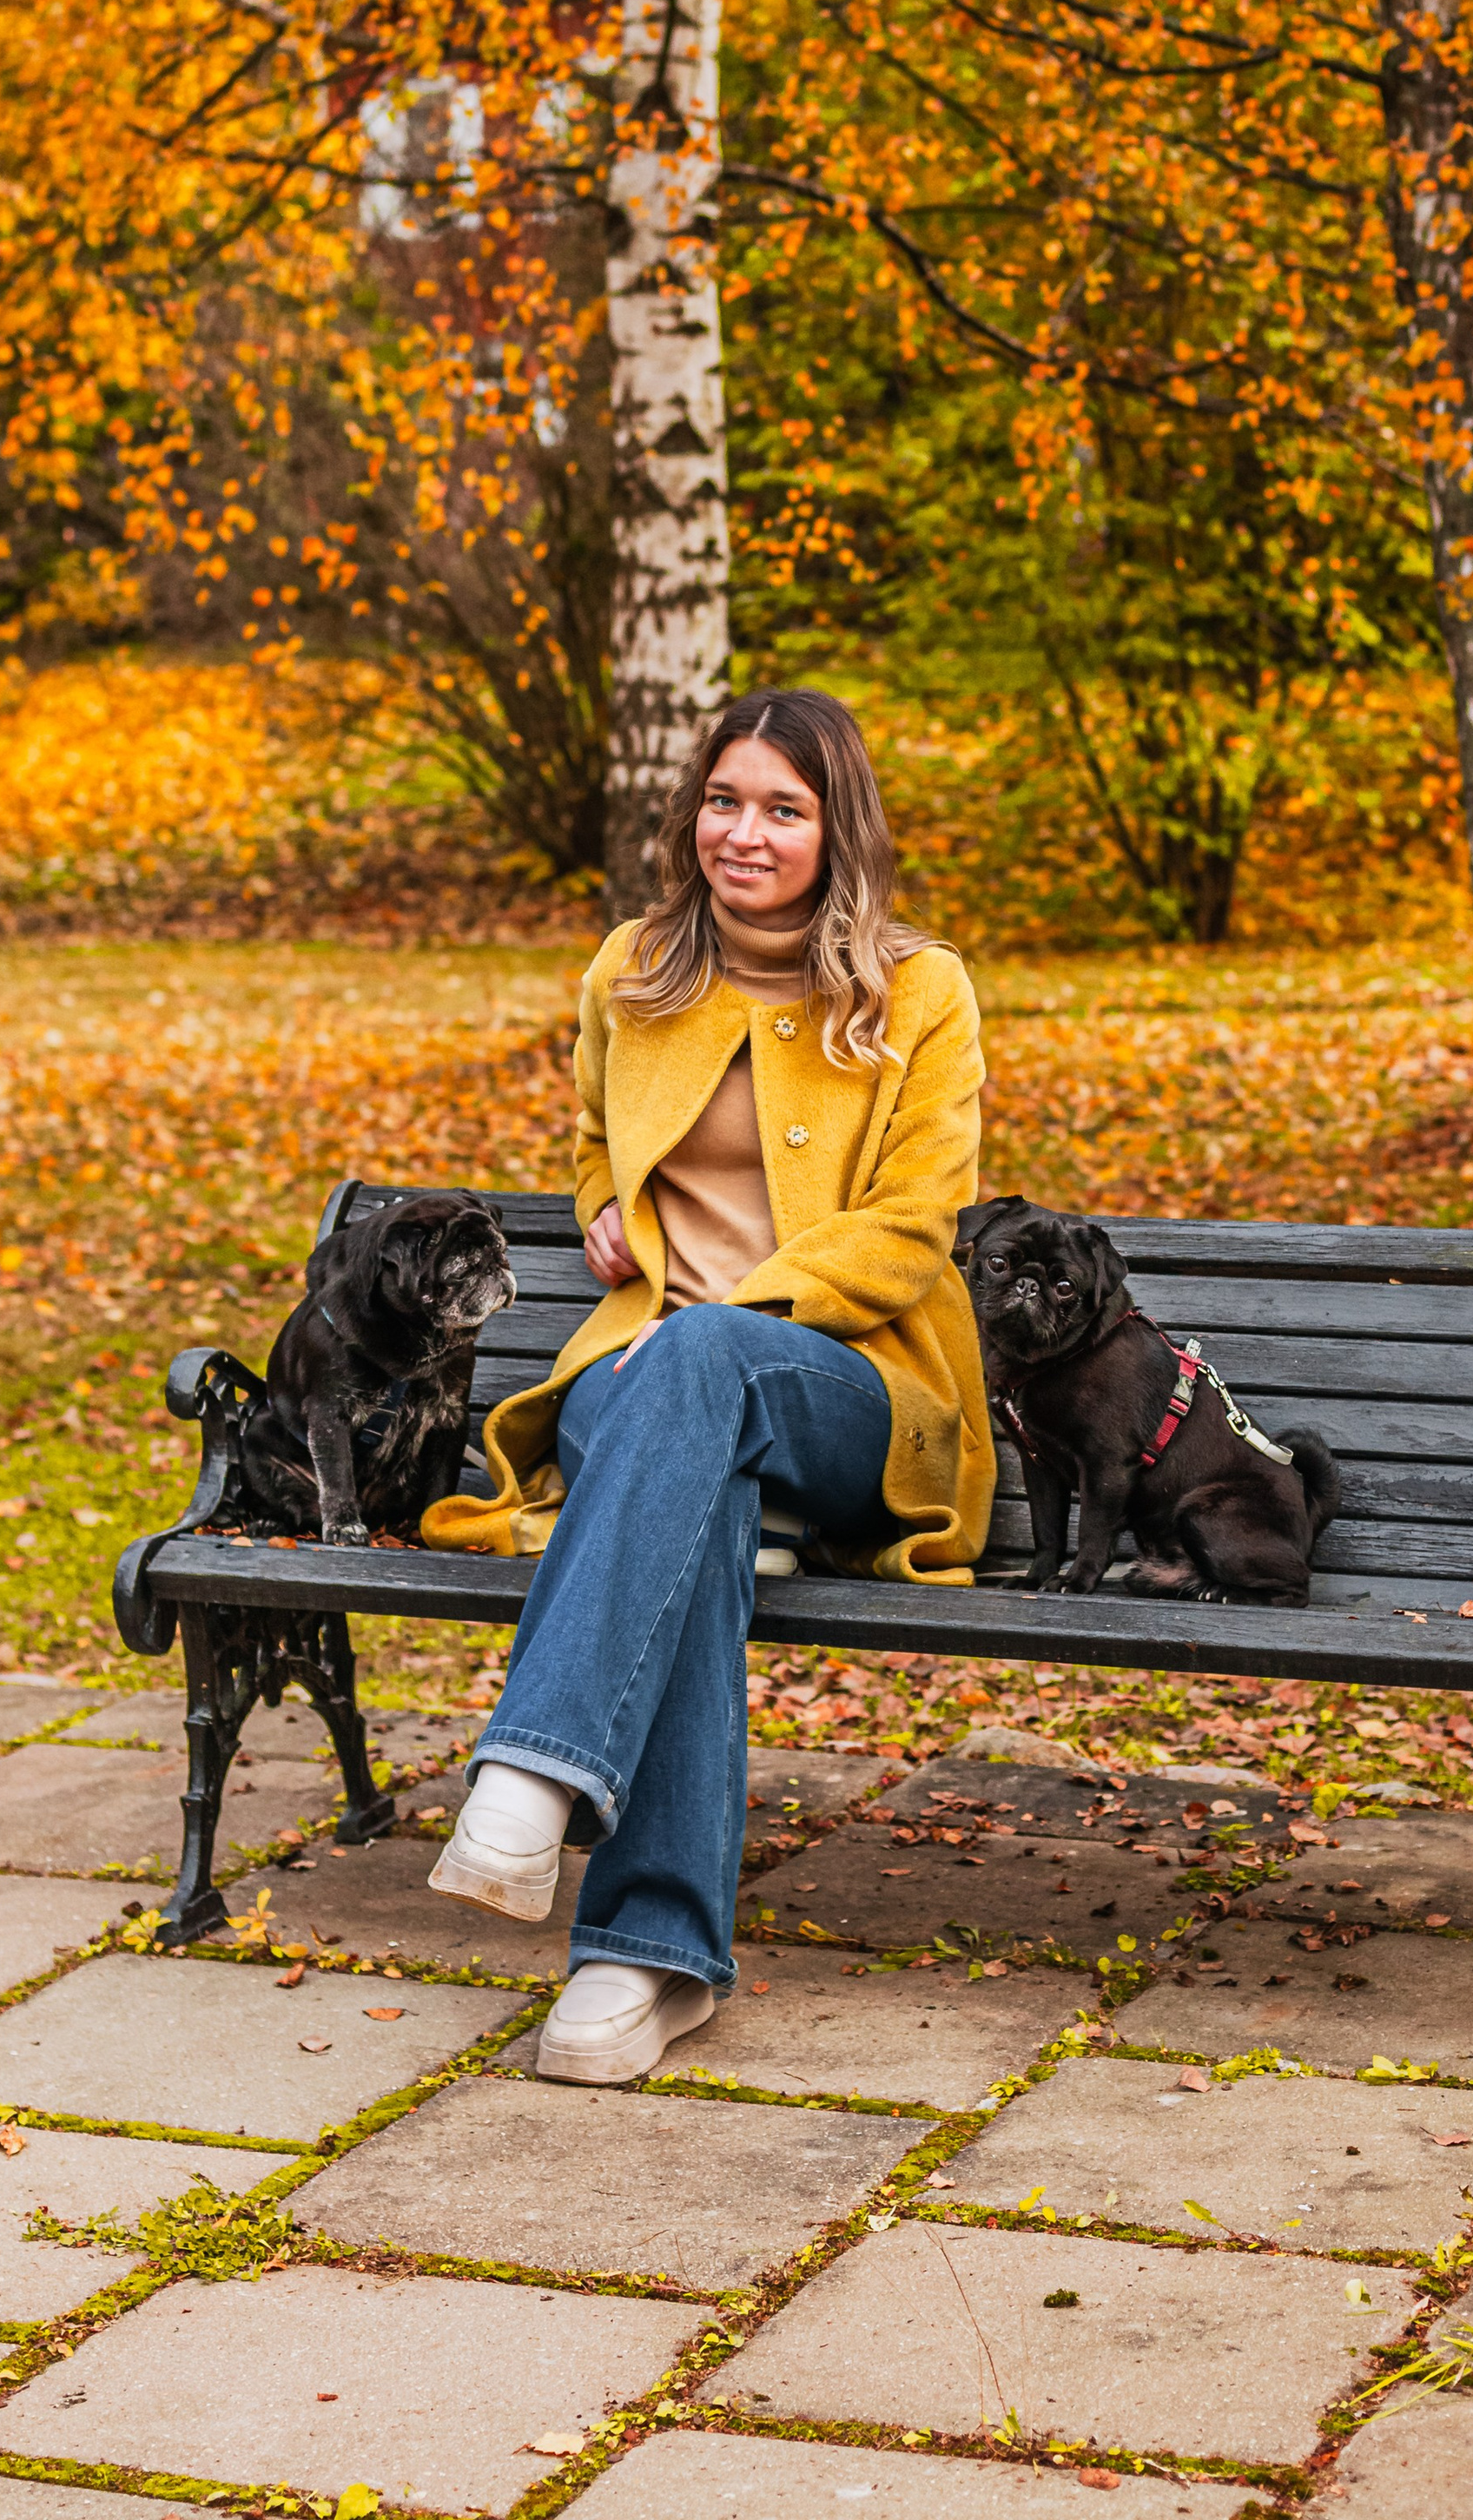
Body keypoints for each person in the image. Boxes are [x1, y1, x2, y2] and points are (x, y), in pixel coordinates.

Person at [420, 687, 992, 2081]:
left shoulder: (921, 990)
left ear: (833, 827)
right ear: (692, 815)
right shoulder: (633, 967)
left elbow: (917, 1225)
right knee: (698, 1482)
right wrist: (602, 1210)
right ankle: (647, 1959)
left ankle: (531, 1769)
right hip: (651, 1393)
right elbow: (587, 1144)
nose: (745, 832)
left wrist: (728, 1312)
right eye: (724, 800)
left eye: (783, 809)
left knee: (705, 1365)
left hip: (846, 1386)